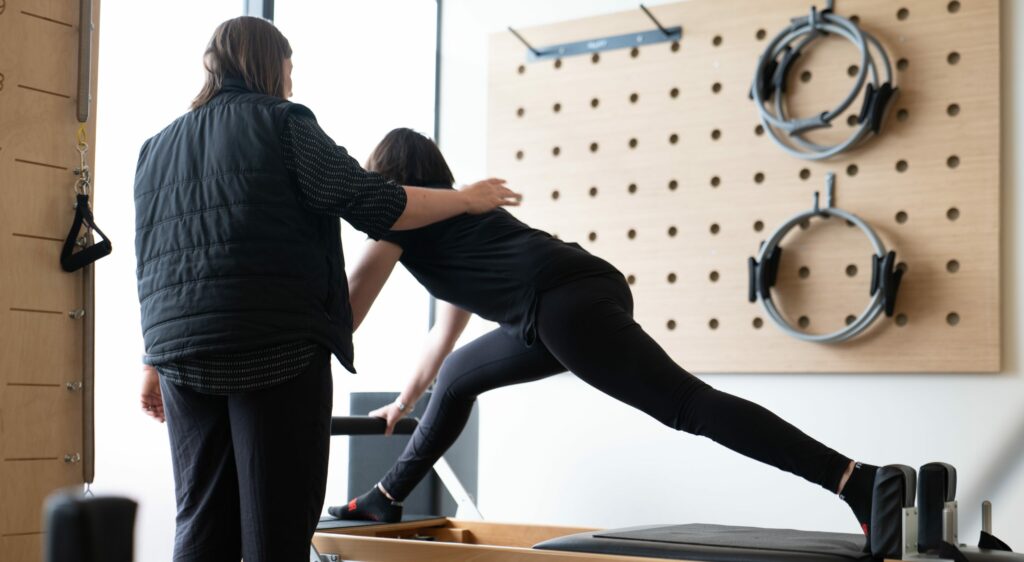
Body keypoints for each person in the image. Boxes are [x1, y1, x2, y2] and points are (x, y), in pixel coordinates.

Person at [328, 128, 881, 545]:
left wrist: (305, 336)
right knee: (455, 380)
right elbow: (442, 342)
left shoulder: (403, 217)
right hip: (573, 294)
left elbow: (354, 294)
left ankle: (852, 479)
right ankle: (385, 498)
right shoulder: (462, 228)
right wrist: (402, 403)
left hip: (561, 304)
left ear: (388, 177)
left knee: (687, 404)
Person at [134, 17, 520, 562]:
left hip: (181, 355)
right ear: (270, 63)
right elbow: (373, 200)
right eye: (290, 67)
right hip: (276, 345)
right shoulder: (283, 122)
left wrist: (152, 360)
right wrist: (463, 198)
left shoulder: (155, 148)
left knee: (201, 521)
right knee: (276, 525)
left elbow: (154, 258)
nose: (292, 80)